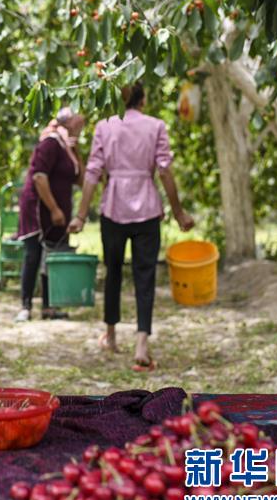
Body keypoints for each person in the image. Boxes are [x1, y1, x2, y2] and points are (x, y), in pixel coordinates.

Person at [67, 83, 194, 371]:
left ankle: (110, 336)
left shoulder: (104, 126)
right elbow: (164, 170)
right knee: (145, 275)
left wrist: (81, 215)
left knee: (113, 272)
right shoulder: (156, 126)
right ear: (144, 98)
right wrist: (178, 212)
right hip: (148, 209)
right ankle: (141, 343)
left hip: (113, 208)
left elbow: (93, 172)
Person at [14, 108, 85, 322]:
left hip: (57, 212)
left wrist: (78, 151)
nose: (82, 125)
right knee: (34, 254)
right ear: (69, 123)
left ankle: (49, 307)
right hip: (39, 209)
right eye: (79, 121)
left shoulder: (67, 148)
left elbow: (81, 180)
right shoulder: (51, 142)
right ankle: (26, 306)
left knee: (52, 257)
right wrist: (54, 208)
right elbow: (39, 177)